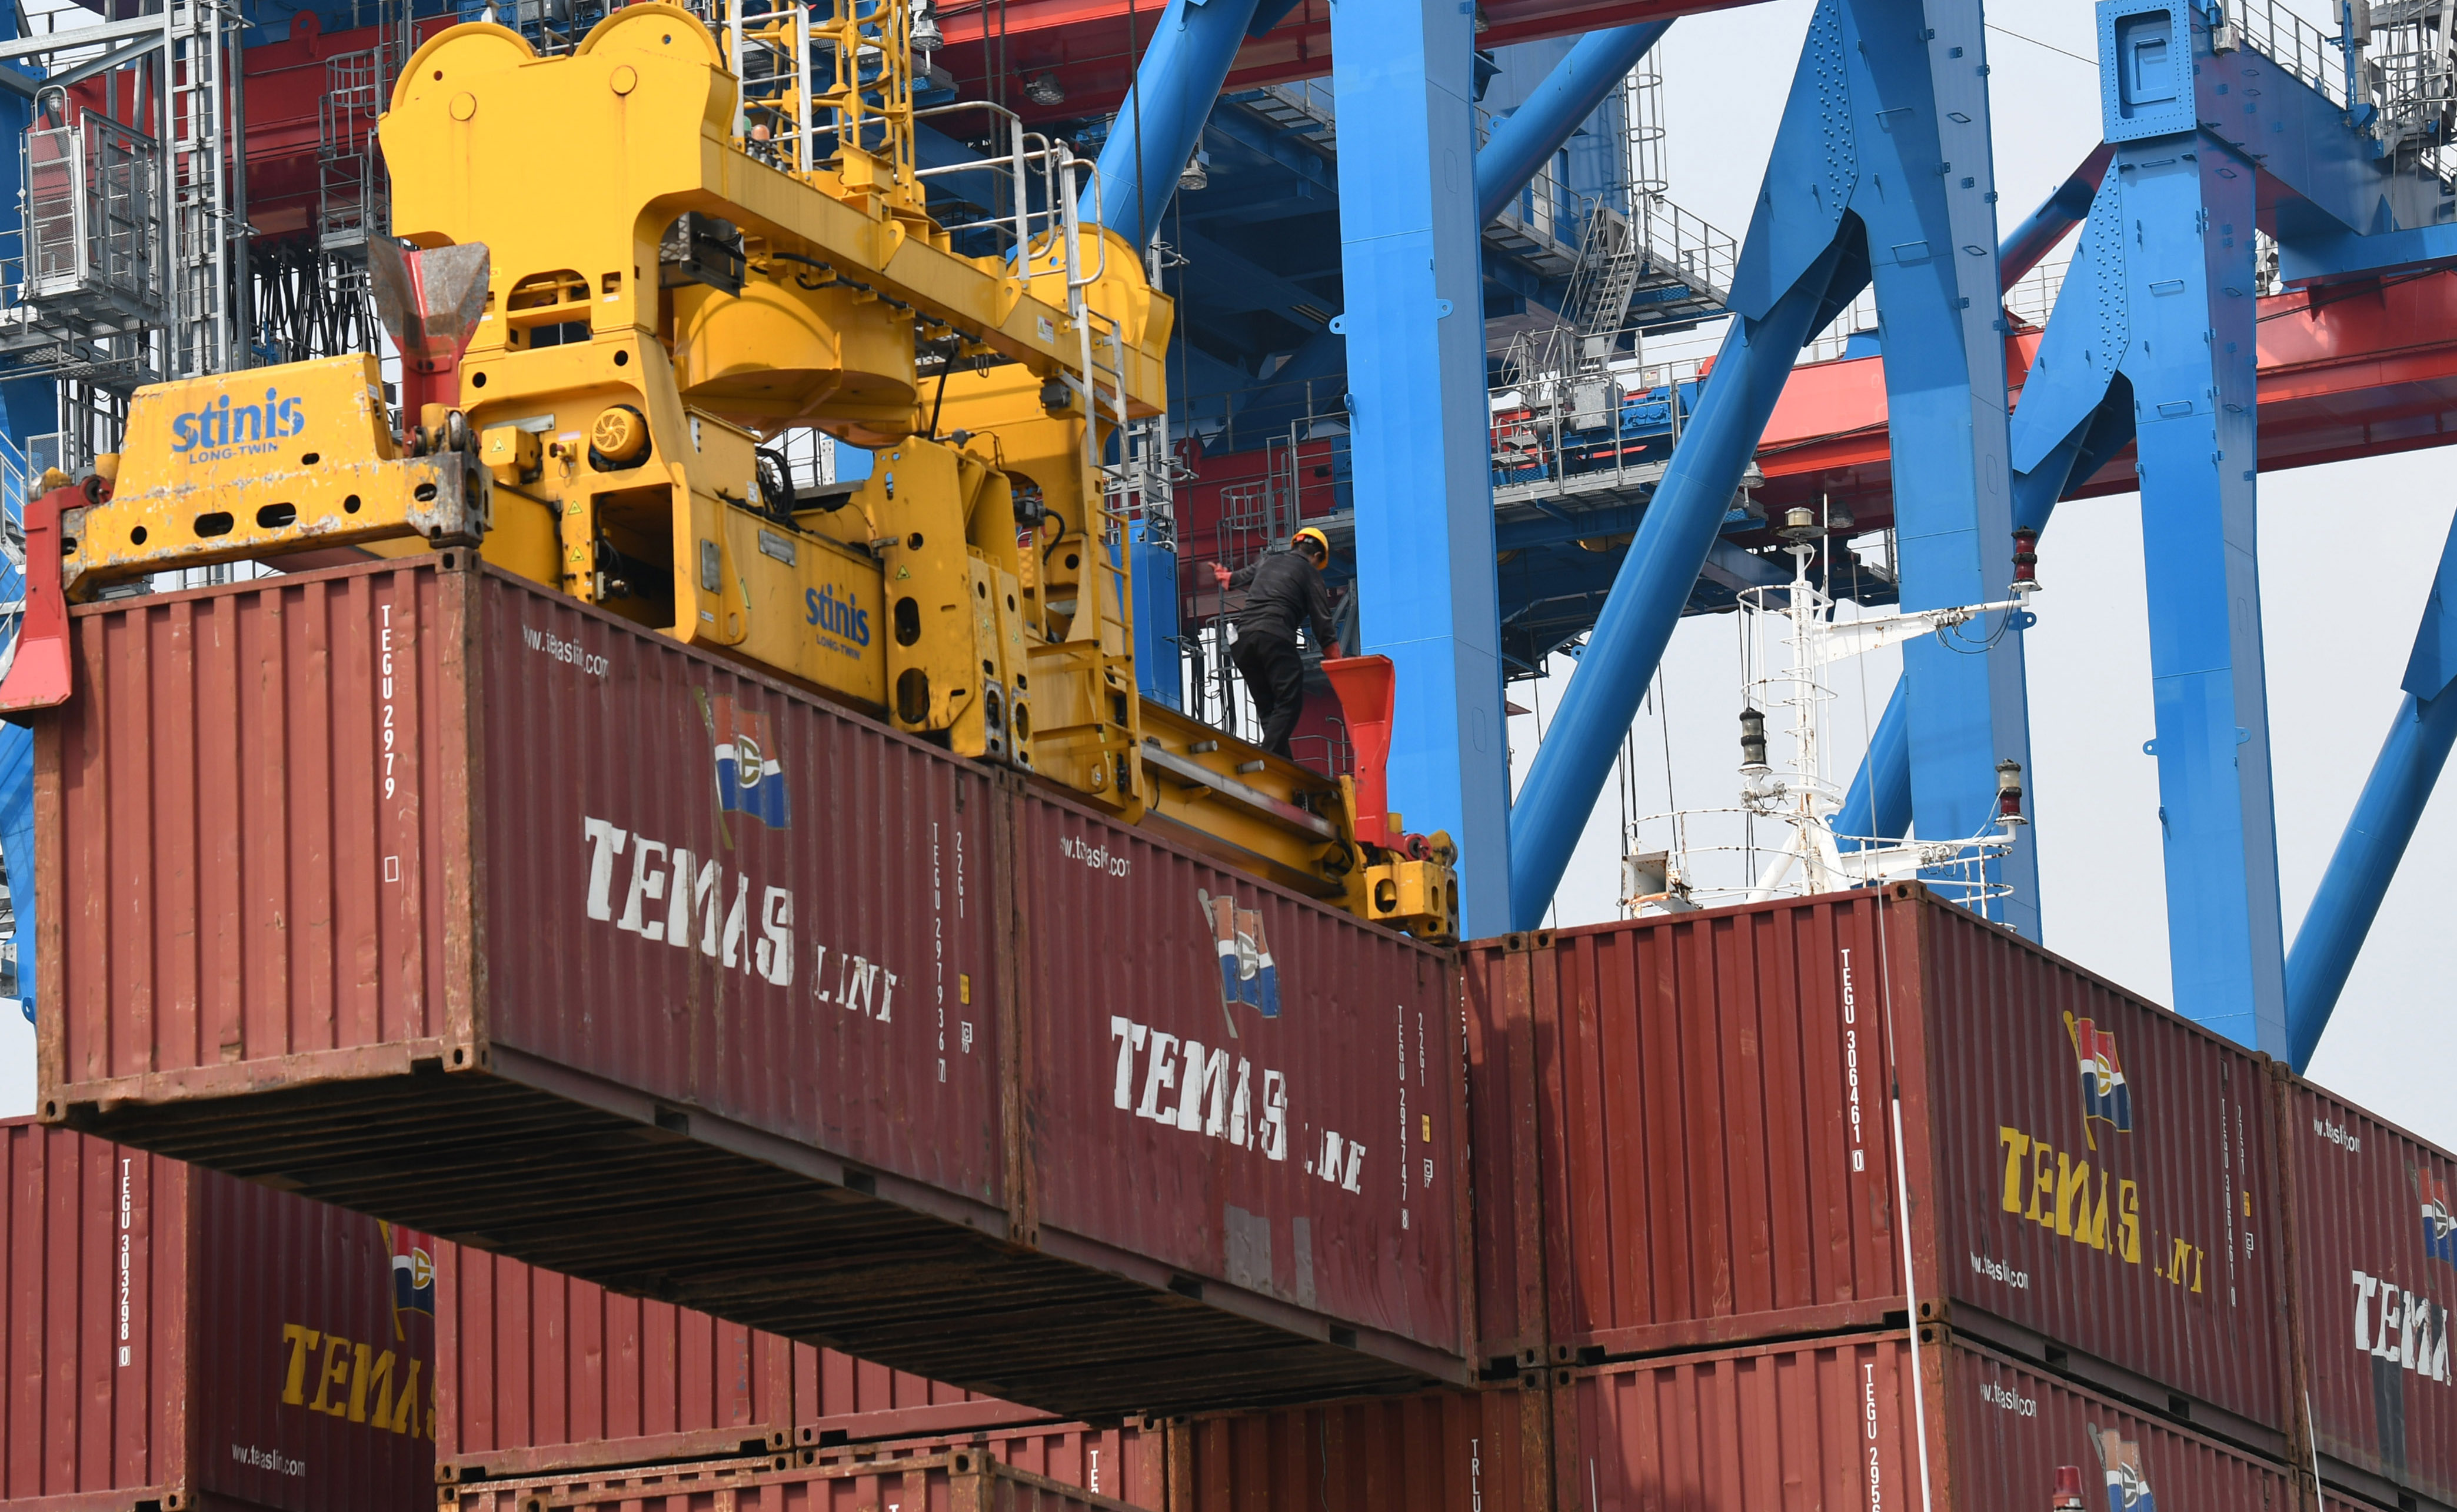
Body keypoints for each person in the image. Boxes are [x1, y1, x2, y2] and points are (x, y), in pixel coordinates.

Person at [1210, 527, 1342, 759]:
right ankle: (1268, 757)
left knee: (1268, 708)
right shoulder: (1311, 574)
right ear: (1318, 557)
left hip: (1243, 643)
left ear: (1295, 545)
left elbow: (1232, 579)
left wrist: (1224, 575)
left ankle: (1282, 762)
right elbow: (1322, 621)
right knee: (1289, 703)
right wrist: (1337, 662)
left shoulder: (1267, 562)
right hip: (1274, 637)